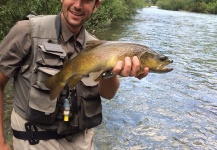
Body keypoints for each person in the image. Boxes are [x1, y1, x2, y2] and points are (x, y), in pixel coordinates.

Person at [0, 0, 149, 149]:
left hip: (81, 142)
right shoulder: (27, 31)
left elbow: (108, 94)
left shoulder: (99, 47)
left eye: (86, 0)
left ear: (96, 5)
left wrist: (111, 71)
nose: (78, 5)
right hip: (34, 140)